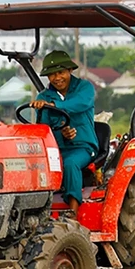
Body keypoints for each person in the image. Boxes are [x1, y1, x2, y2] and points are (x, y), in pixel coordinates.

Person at [30, 50, 98, 214]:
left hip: (82, 147)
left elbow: (80, 104)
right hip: (56, 149)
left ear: (70, 70)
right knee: (32, 165)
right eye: (52, 75)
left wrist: (55, 106)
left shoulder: (85, 88)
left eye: (60, 72)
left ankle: (73, 213)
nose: (57, 78)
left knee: (70, 163)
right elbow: (44, 130)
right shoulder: (43, 96)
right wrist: (61, 134)